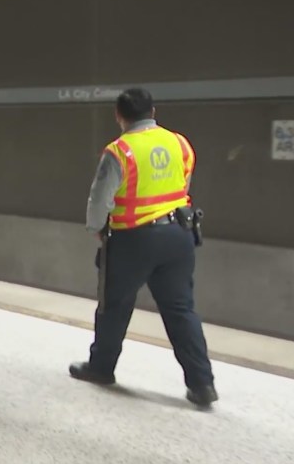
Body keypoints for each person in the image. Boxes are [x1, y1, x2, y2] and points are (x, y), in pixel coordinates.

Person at [69, 88, 218, 407]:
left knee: (114, 306)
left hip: (132, 239)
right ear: (153, 111)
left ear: (119, 115)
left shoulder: (120, 151)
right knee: (181, 309)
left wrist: (97, 229)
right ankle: (202, 384)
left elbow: (99, 199)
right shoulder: (180, 143)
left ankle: (101, 368)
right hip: (179, 234)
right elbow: (183, 184)